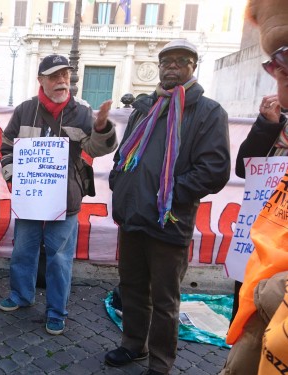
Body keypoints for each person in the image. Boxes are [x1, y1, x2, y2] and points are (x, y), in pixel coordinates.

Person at [104, 39, 230, 375]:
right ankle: (134, 345)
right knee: (131, 287)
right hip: (132, 216)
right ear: (159, 67)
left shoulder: (207, 111)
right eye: (166, 61)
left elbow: (214, 170)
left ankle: (160, 364)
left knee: (164, 299)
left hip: (168, 220)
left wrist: (167, 194)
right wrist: (120, 181)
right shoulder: (145, 107)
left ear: (193, 67)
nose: (172, 66)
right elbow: (123, 155)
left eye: (181, 60)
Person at [0, 54, 117, 335]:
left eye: (65, 75)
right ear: (40, 81)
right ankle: (20, 295)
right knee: (22, 250)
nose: (62, 80)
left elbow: (98, 149)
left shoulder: (82, 112)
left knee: (60, 258)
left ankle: (56, 311)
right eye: (54, 76)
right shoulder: (25, 110)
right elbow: (5, 146)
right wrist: (15, 177)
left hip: (66, 199)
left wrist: (101, 128)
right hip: (30, 198)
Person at [220, 1, 288, 373]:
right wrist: (266, 126)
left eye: (283, 66)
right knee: (245, 328)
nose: (276, 75)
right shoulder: (277, 118)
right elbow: (245, 166)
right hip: (260, 250)